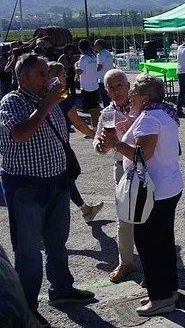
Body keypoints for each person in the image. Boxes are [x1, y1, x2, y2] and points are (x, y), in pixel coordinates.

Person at [1, 53, 95, 328]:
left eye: (48, 72)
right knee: (28, 252)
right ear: (23, 80)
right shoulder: (12, 101)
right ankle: (27, 310)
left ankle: (62, 290)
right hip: (26, 188)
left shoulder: (51, 98)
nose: (49, 78)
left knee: (57, 243)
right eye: (41, 74)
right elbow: (20, 134)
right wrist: (47, 103)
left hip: (57, 182)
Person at [99, 73, 183, 316]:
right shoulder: (162, 112)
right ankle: (169, 291)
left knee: (148, 244)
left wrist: (116, 143)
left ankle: (160, 298)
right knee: (163, 242)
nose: (130, 95)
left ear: (144, 97)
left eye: (134, 92)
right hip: (167, 186)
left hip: (154, 191)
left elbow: (142, 155)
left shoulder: (149, 117)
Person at [93, 69, 137, 283]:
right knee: (124, 218)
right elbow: (98, 143)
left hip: (143, 165)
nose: (117, 90)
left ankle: (152, 264)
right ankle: (125, 262)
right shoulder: (106, 113)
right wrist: (101, 146)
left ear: (128, 86)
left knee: (149, 218)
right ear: (107, 91)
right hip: (121, 168)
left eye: (120, 84)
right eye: (111, 86)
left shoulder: (141, 107)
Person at [47, 62, 103, 223]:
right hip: (60, 145)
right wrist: (97, 136)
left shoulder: (40, 94)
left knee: (64, 180)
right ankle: (85, 210)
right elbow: (78, 124)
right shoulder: (63, 96)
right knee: (65, 180)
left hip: (48, 145)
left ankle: (85, 209)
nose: (65, 77)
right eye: (63, 74)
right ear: (57, 77)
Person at [75, 39, 101, 129]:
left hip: (86, 86)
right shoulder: (93, 56)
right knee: (95, 107)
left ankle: (95, 127)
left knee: (91, 108)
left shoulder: (83, 58)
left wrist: (75, 66)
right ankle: (96, 125)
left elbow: (79, 71)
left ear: (80, 48)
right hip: (94, 84)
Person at [94, 39, 114, 107]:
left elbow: (99, 67)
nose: (94, 46)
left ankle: (107, 113)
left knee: (104, 98)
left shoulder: (100, 54)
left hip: (102, 79)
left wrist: (92, 70)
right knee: (110, 97)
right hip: (110, 77)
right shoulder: (108, 53)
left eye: (95, 45)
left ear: (100, 46)